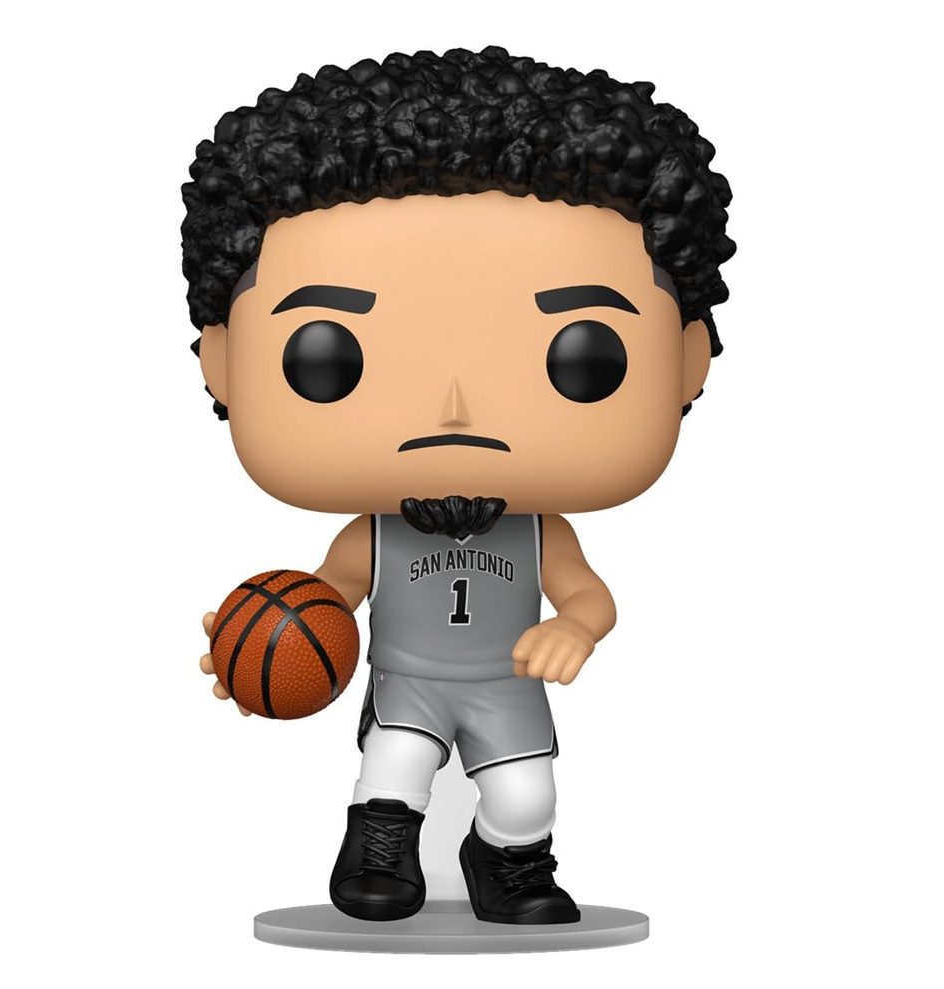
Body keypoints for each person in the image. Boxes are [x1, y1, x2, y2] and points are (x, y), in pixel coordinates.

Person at [183, 44, 735, 924]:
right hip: (407, 679)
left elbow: (589, 595)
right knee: (393, 768)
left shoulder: (540, 532)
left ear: (685, 362)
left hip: (506, 686)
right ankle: (380, 855)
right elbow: (328, 595)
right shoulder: (374, 533)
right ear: (223, 364)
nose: (454, 408)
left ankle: (506, 863)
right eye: (329, 357)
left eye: (581, 357)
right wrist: (265, 633)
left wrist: (576, 629)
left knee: (526, 800)